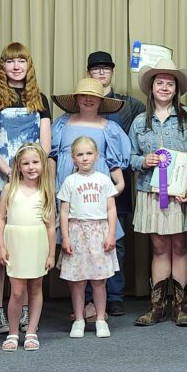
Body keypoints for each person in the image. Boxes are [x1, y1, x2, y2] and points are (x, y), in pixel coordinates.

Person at [0, 42, 52, 334]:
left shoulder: (40, 99)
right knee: (0, 245)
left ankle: (22, 311)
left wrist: (31, 174)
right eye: (10, 62)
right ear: (3, 67)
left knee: (30, 241)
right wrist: (12, 173)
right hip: (2, 178)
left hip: (34, 177)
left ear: (28, 65)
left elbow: (44, 146)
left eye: (21, 61)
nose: (16, 66)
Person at [129, 58, 187, 327]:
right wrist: (143, 161)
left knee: (181, 245)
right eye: (159, 82)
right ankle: (157, 306)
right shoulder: (138, 122)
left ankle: (181, 307)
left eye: (169, 83)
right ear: (151, 87)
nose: (164, 87)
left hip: (181, 192)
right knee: (159, 247)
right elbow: (129, 157)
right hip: (150, 191)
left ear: (176, 89)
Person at [50, 76, 128, 322]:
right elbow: (51, 156)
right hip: (67, 191)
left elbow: (116, 164)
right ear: (76, 100)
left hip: (95, 194)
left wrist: (111, 192)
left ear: (100, 101)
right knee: (73, 244)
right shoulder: (62, 123)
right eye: (83, 96)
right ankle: (80, 304)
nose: (88, 100)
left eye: (93, 96)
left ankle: (102, 301)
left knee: (101, 244)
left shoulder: (109, 128)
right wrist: (52, 186)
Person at [84, 51, 145, 316]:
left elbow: (145, 127)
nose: (101, 73)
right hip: (84, 183)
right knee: (85, 237)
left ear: (112, 72)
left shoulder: (131, 105)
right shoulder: (81, 102)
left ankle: (115, 294)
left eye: (105, 69)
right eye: (95, 69)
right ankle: (87, 296)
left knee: (116, 241)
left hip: (116, 183)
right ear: (89, 73)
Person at [0, 144, 56, 351]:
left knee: (35, 288)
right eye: (26, 163)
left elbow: (50, 226)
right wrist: (1, 246)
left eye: (35, 162)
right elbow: (1, 219)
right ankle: (13, 332)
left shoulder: (46, 191)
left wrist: (51, 254)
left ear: (43, 165)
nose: (31, 167)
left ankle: (31, 331)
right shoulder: (9, 189)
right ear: (18, 166)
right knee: (17, 291)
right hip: (15, 243)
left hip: (37, 242)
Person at [58, 137, 119, 339]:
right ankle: (78, 319)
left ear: (97, 155)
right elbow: (64, 212)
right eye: (80, 154)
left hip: (99, 233)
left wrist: (111, 234)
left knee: (99, 280)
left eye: (89, 153)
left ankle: (100, 319)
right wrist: (65, 238)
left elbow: (111, 209)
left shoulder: (103, 179)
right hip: (77, 233)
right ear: (73, 158)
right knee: (78, 281)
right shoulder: (70, 181)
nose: (85, 158)